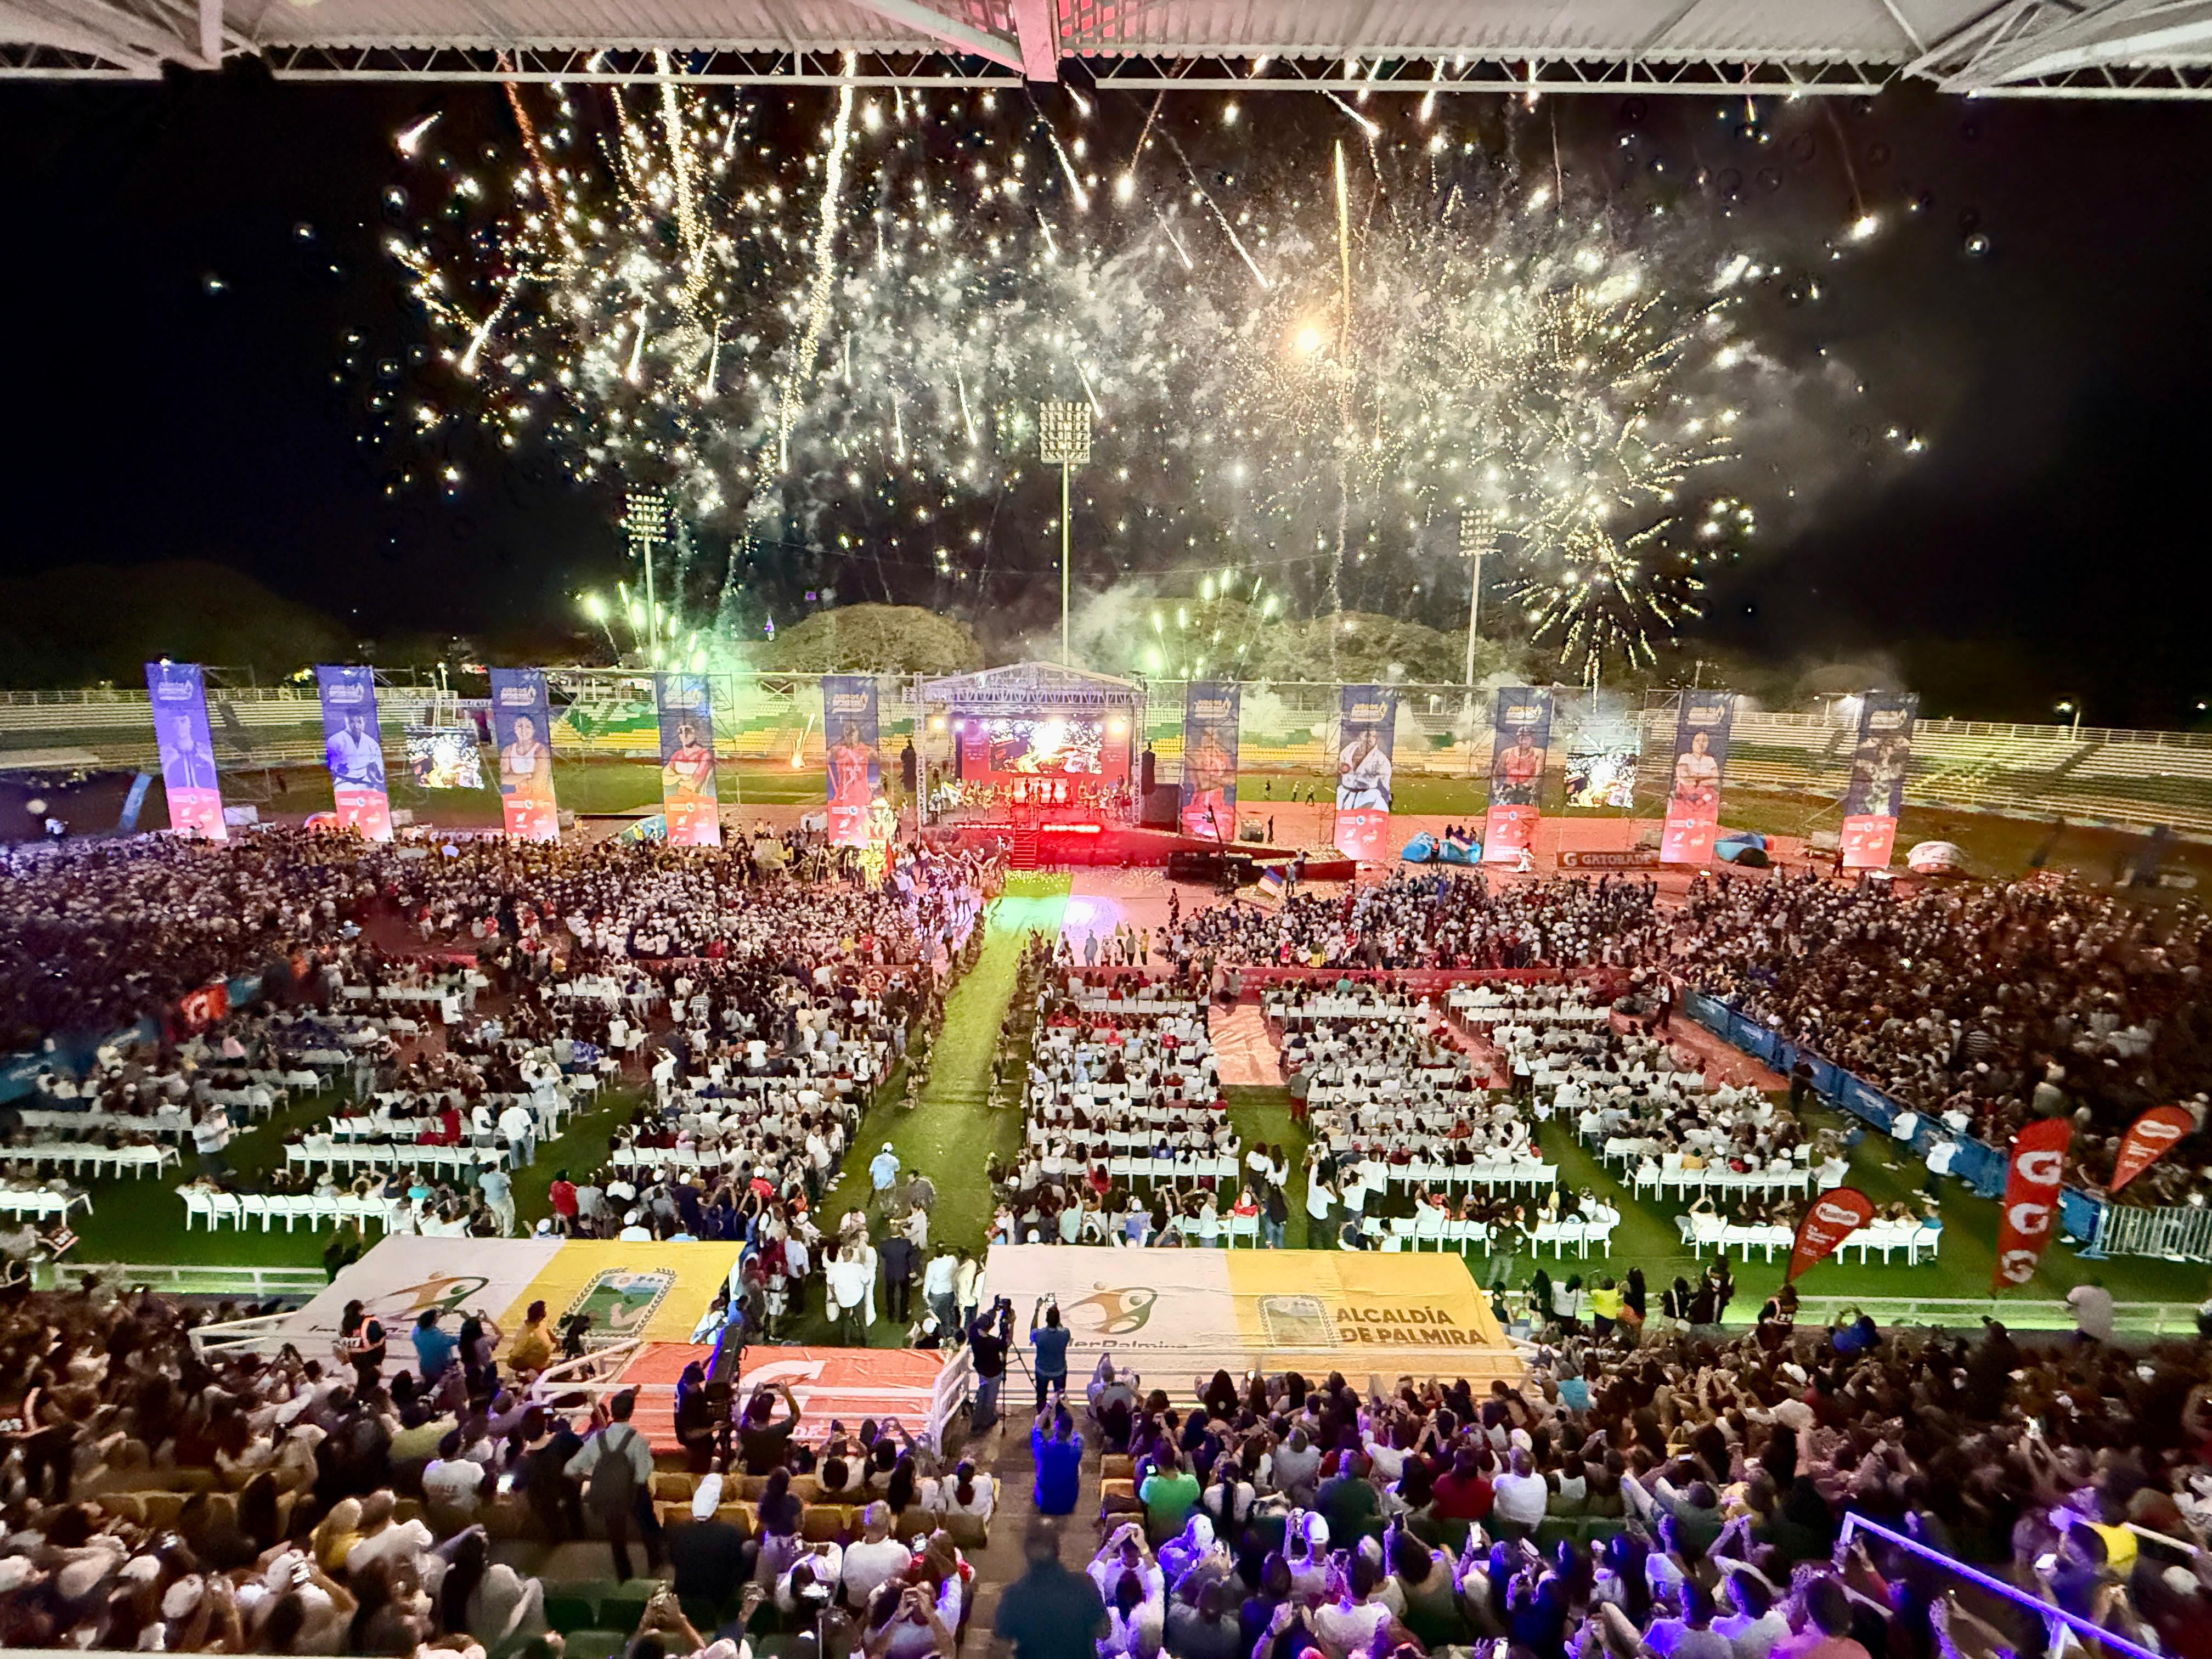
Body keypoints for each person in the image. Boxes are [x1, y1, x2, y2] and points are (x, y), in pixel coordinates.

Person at [565, 1390, 662, 1581]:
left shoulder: (596, 1439)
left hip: (609, 1492)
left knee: (617, 1538)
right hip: (633, 1491)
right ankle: (655, 1561)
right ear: (631, 1412)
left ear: (612, 1411)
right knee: (648, 1526)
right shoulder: (638, 1440)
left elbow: (571, 1468)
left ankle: (624, 1575)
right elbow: (642, 1474)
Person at [995, 1519, 1108, 1659]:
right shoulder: (1084, 1585)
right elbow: (1104, 1631)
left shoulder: (1014, 1596)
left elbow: (999, 1648)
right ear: (1057, 1549)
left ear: (1026, 1551)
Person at [1031, 1408, 1083, 1516]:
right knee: (1078, 1466)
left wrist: (1049, 1406)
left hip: (1044, 1502)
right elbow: (1077, 1435)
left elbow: (1037, 1425)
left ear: (1055, 1426)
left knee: (1041, 1464)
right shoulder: (1077, 1447)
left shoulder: (1042, 1447)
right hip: (1068, 1504)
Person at [1030, 1297, 1071, 1408]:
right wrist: (1056, 1315)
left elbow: (1032, 1330)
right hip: (1059, 1371)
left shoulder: (1039, 1335)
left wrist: (1037, 1310)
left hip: (1042, 1371)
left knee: (1041, 1397)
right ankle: (1060, 1414)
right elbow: (1061, 1328)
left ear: (1046, 1319)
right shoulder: (1065, 1334)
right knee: (1060, 1398)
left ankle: (1041, 1414)